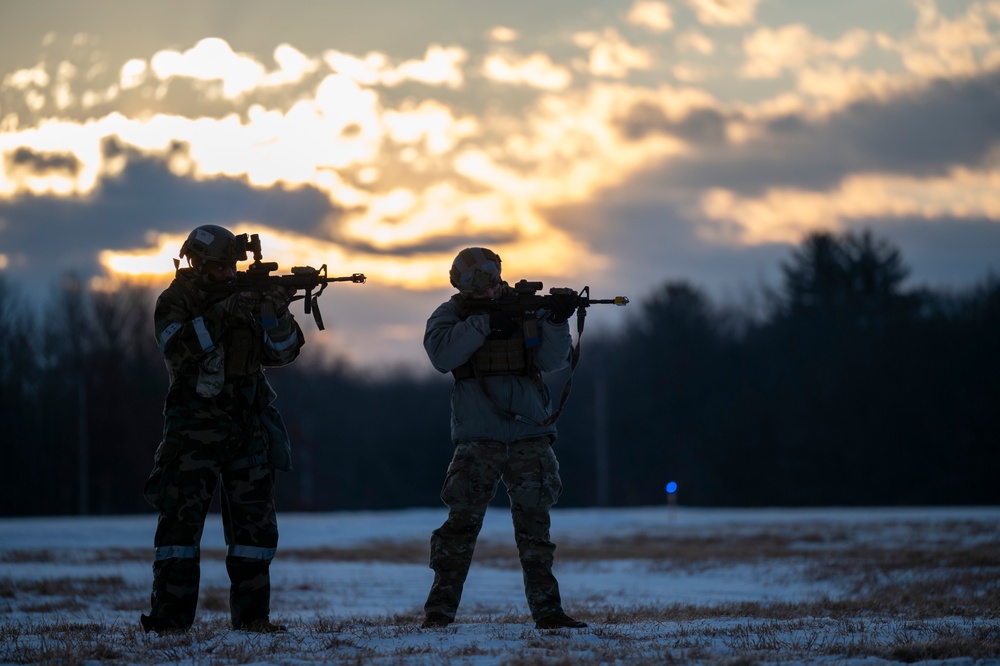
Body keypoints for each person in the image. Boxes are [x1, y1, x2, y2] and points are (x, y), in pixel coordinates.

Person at [140, 224, 304, 634]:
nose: (228, 274)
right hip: (193, 429)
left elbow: (283, 354)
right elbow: (177, 346)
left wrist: (275, 312)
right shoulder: (174, 301)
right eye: (218, 268)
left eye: (231, 267)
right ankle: (169, 622)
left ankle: (252, 620)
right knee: (179, 528)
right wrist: (225, 310)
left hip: (246, 424)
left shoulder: (246, 299)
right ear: (195, 264)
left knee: (254, 530)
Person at [420, 247, 588, 630]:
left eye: (491, 282)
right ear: (460, 286)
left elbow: (552, 360)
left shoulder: (525, 307)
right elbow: (441, 355)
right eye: (476, 286)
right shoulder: (451, 315)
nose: (488, 293)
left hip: (529, 433)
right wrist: (483, 325)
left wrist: (558, 321)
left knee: (535, 528)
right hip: (479, 437)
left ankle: (549, 612)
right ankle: (439, 613)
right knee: (460, 527)